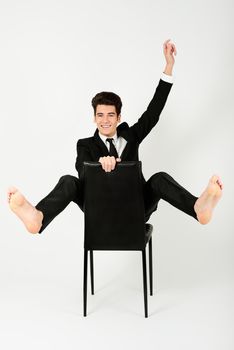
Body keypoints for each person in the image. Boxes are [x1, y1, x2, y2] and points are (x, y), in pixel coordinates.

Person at [8, 39, 223, 234]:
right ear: (94, 118)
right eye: (100, 115)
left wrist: (168, 67)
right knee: (69, 181)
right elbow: (82, 170)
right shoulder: (85, 145)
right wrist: (97, 165)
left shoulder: (132, 136)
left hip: (135, 207)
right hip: (99, 209)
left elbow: (153, 112)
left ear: (118, 117)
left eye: (111, 115)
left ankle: (198, 208)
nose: (105, 120)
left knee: (159, 178)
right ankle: (38, 216)